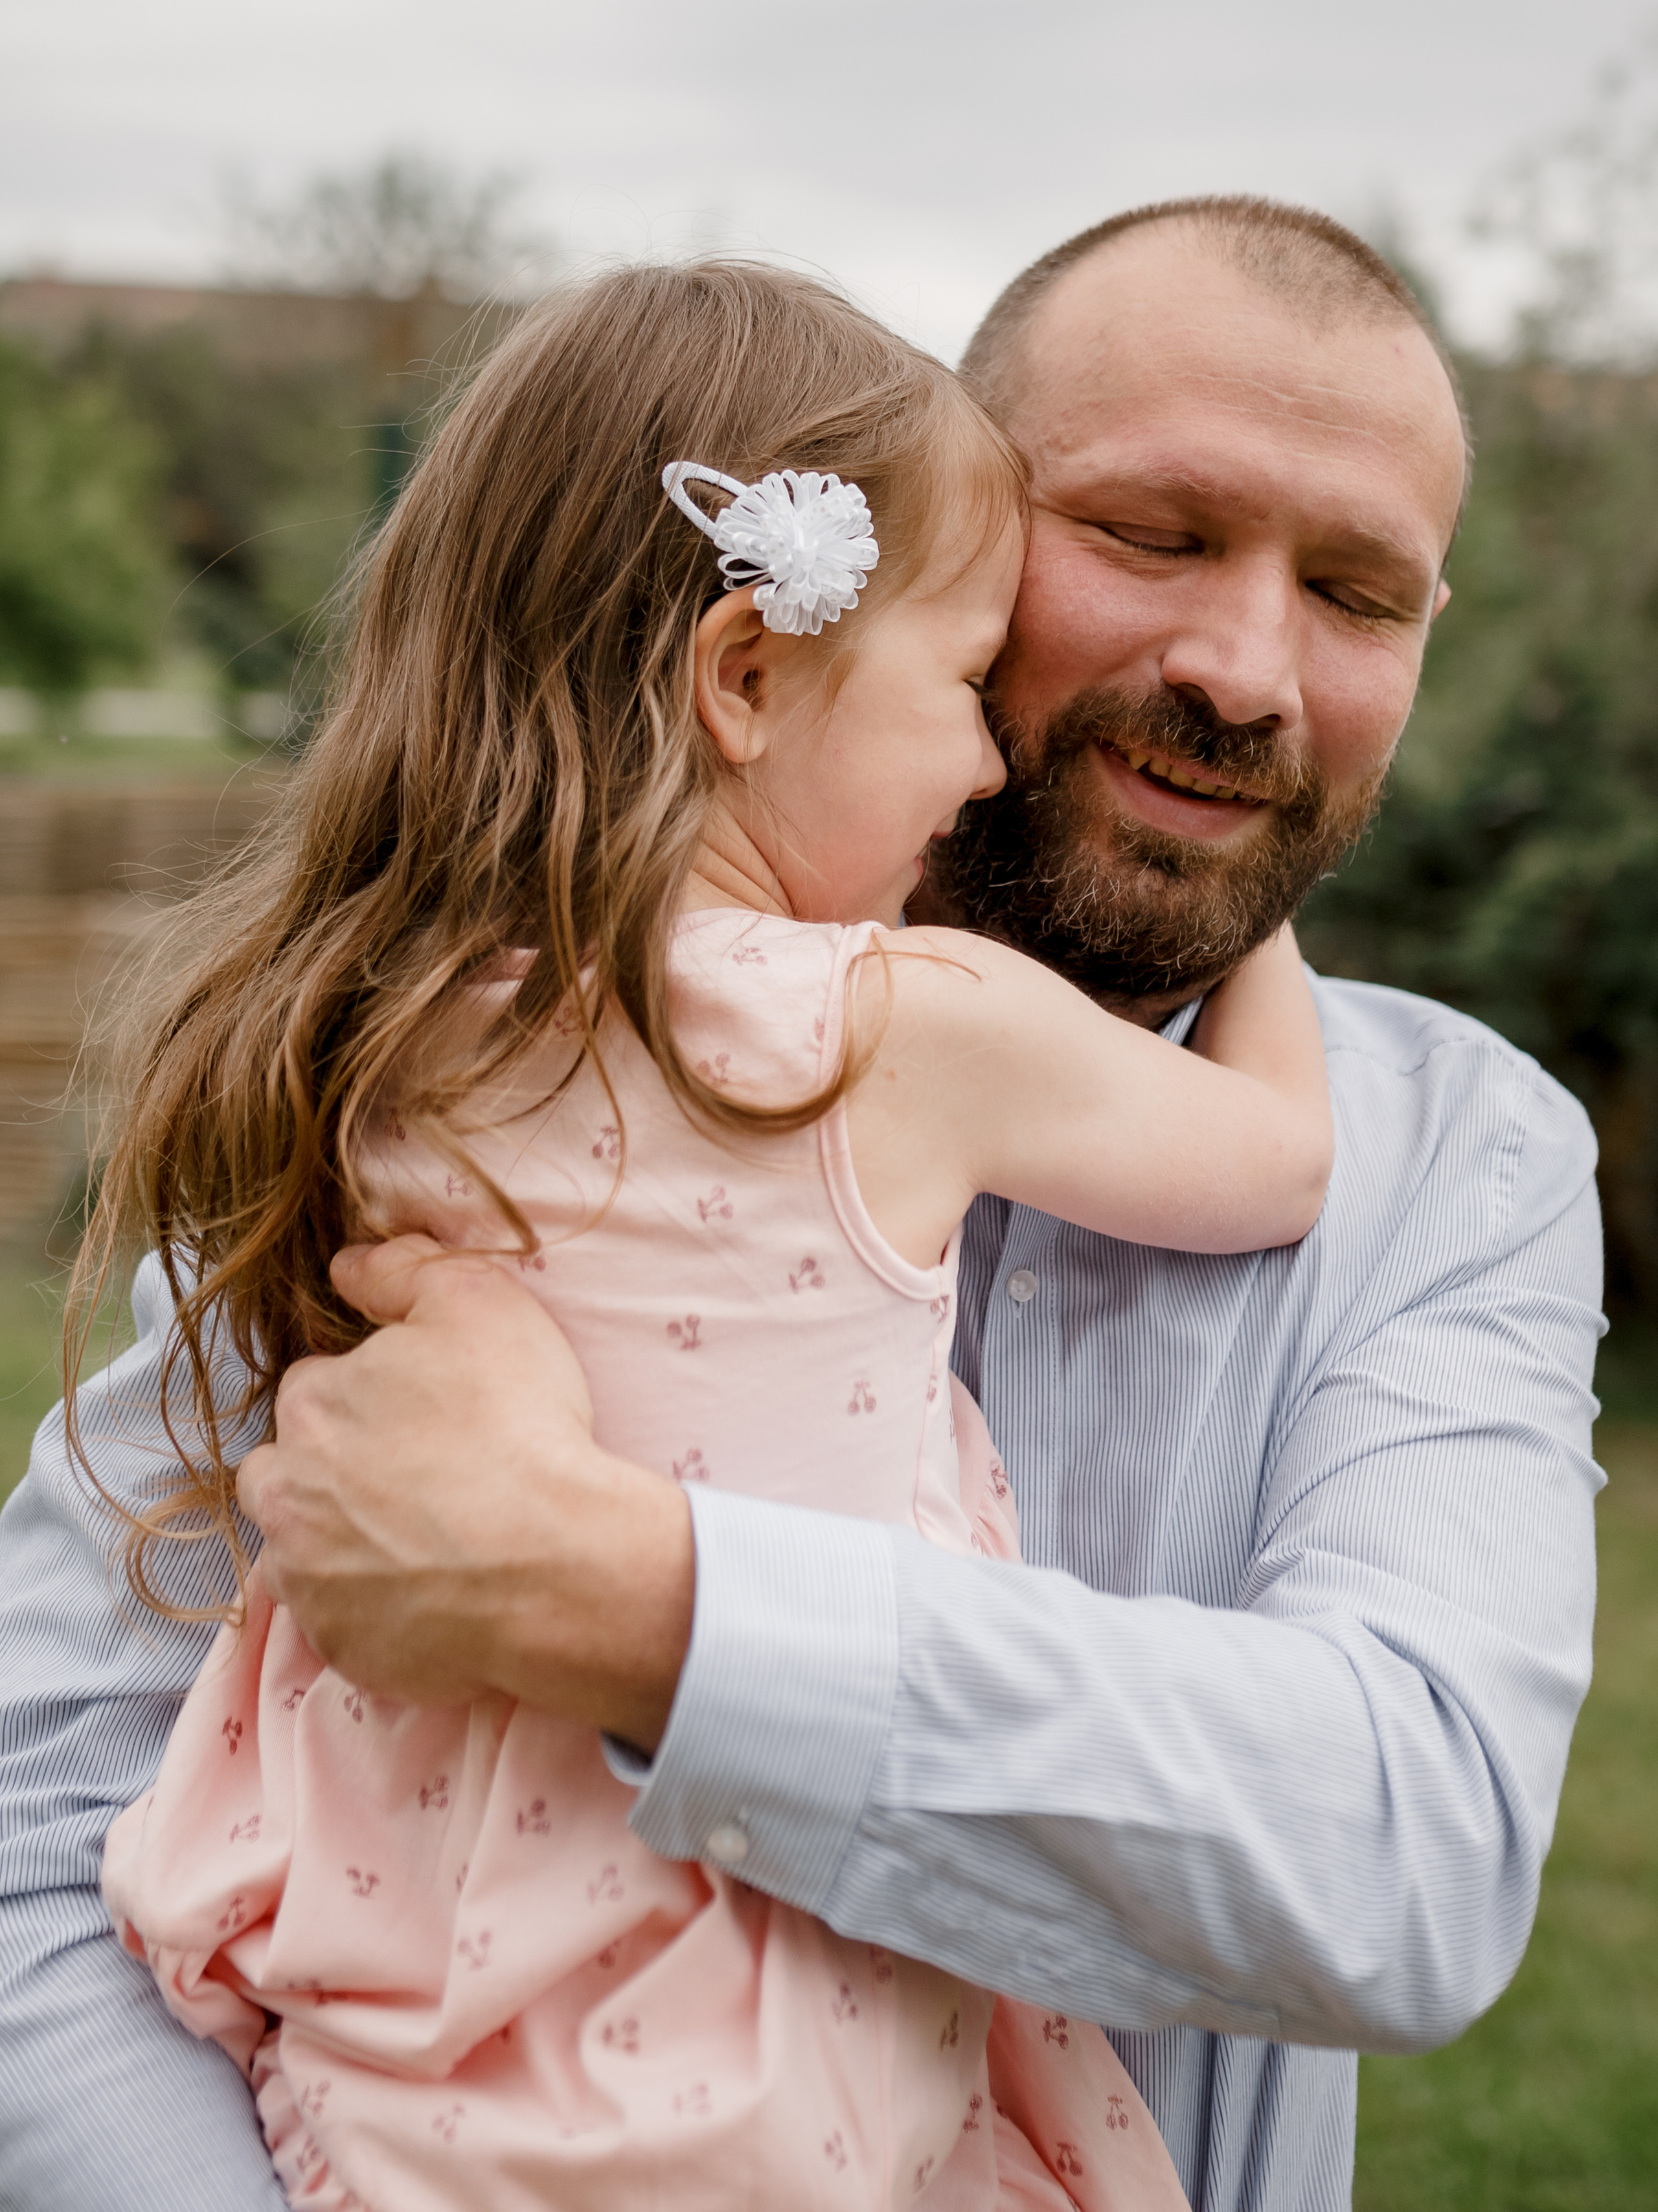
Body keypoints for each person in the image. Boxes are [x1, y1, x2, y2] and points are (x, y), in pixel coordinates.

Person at [0, 198, 1602, 2212]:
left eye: (1360, 595)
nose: (1247, 668)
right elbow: (40, 1807)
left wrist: (614, 1592)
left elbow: (1403, 1856)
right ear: (942, 544)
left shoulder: (1467, 1156)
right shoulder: (477, 1054)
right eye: (1152, 534)